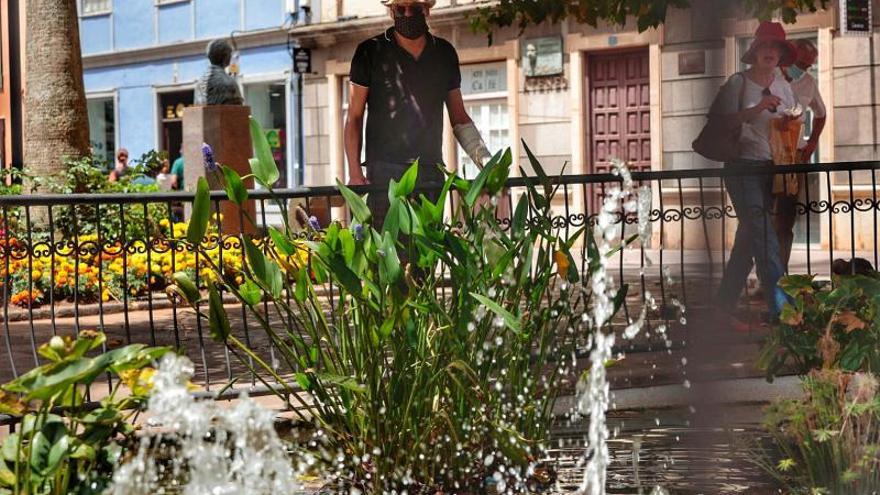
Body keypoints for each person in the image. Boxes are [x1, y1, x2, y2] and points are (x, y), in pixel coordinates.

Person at [344, 0, 491, 227]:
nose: (407, 14)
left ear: (427, 10)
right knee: (388, 257)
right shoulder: (369, 52)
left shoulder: (444, 53)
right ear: (391, 11)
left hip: (430, 172)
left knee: (426, 258)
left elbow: (459, 118)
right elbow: (354, 116)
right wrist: (355, 174)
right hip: (383, 175)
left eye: (414, 8)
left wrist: (487, 164)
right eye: (400, 9)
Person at [710, 21, 798, 330]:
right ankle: (784, 310)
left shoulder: (785, 86)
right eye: (765, 47)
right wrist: (758, 107)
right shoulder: (738, 83)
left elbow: (787, 124)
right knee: (764, 235)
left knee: (749, 239)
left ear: (781, 54)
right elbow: (719, 122)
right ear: (755, 51)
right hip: (742, 168)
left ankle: (721, 307)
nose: (770, 52)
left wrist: (788, 125)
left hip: (770, 169)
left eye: (776, 48)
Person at [775, 39, 827, 271]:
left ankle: (780, 274)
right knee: (761, 218)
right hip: (765, 155)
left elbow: (821, 113)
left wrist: (813, 141)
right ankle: (762, 275)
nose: (804, 69)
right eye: (801, 63)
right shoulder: (770, 75)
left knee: (786, 218)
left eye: (808, 65)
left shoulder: (808, 82)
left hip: (793, 155)